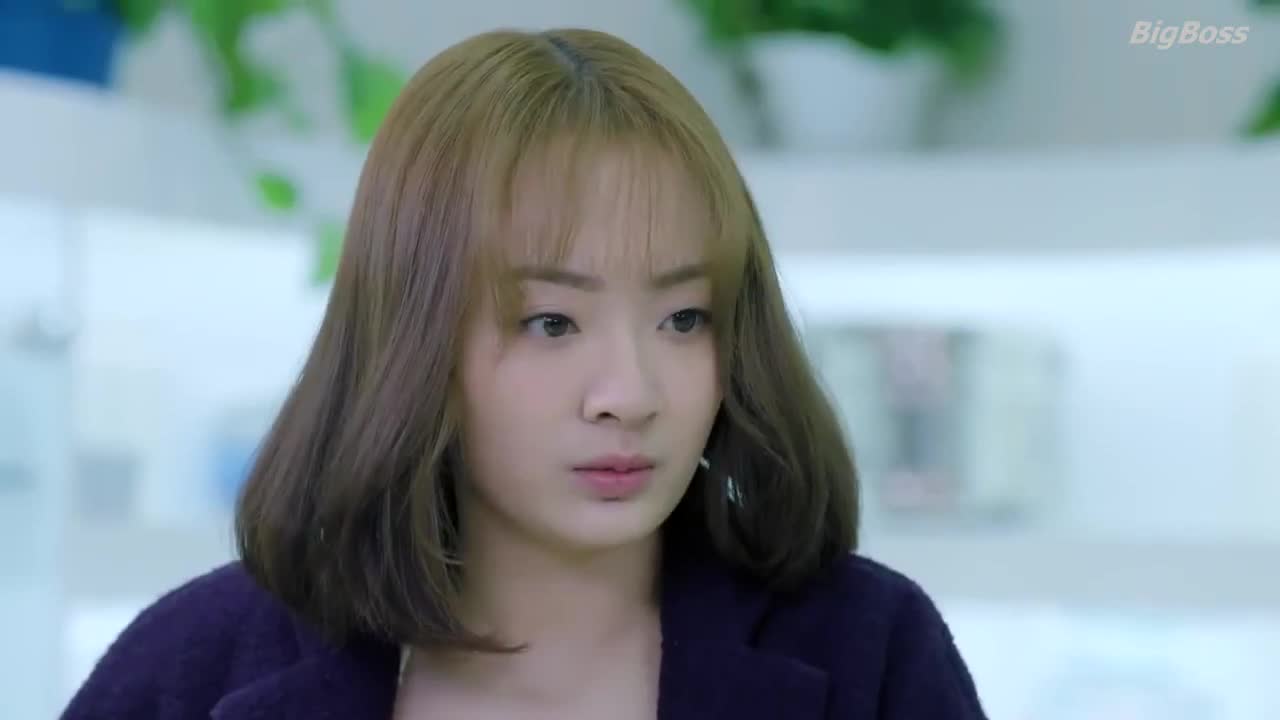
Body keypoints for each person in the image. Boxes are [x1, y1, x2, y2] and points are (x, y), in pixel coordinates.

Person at [61, 27, 988, 720]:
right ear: (414, 338)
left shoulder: (870, 654)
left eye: (683, 319)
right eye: (552, 323)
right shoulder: (192, 669)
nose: (629, 394)